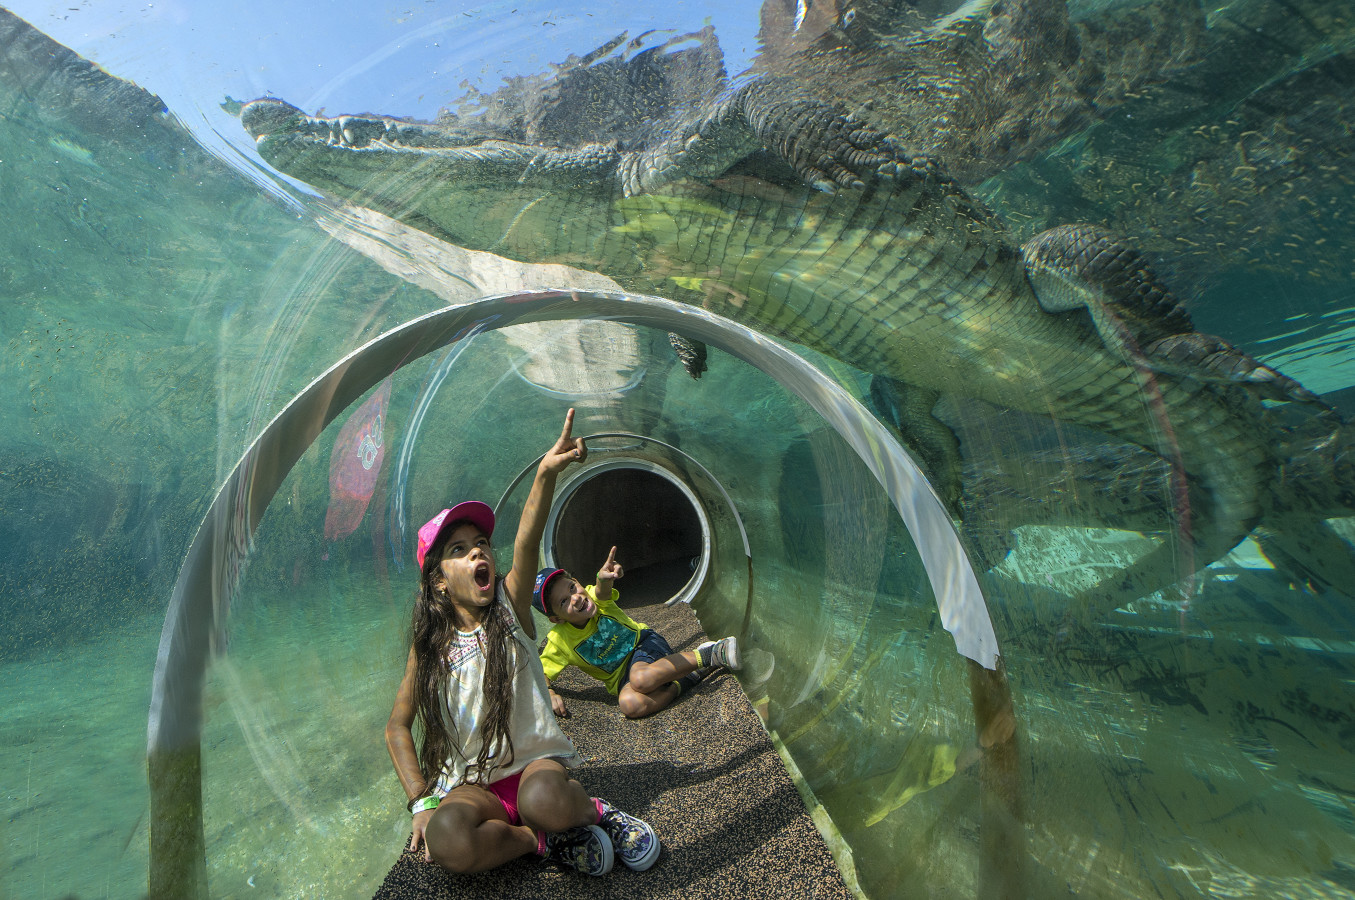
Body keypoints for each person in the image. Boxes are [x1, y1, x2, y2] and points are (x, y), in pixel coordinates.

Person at [385, 409, 661, 877]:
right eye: (459, 550)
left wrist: (545, 474)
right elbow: (397, 726)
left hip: (534, 768)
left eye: (481, 543)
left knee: (544, 800)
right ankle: (539, 842)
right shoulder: (428, 648)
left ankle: (596, 812)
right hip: (474, 786)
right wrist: (421, 801)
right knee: (446, 840)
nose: (478, 551)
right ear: (438, 584)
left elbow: (528, 537)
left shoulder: (509, 609)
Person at [534, 545, 742, 720]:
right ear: (557, 619)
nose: (576, 598)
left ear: (578, 582)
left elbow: (602, 589)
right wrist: (550, 692)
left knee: (641, 679)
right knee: (629, 705)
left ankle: (711, 653)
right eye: (563, 602)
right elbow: (539, 671)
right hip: (623, 679)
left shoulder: (595, 599)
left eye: (572, 587)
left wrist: (603, 577)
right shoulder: (559, 641)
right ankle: (689, 678)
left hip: (643, 645)